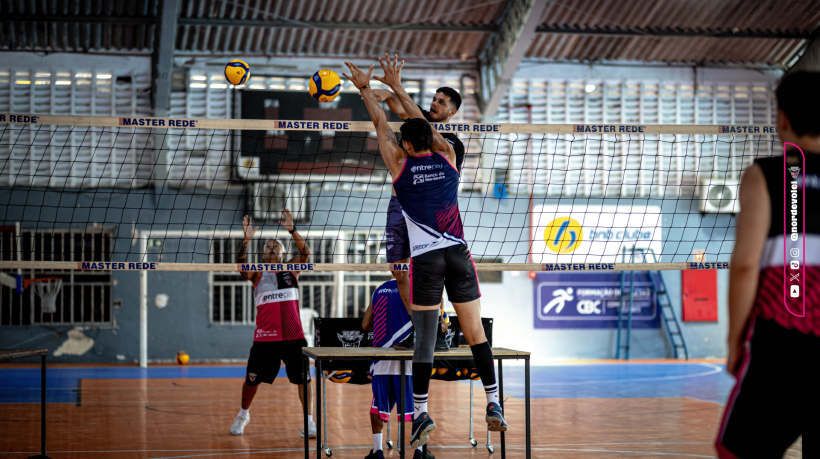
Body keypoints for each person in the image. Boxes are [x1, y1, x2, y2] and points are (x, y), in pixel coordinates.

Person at [342, 54, 506, 450]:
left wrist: (366, 89)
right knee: (475, 335)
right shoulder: (449, 157)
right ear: (431, 141)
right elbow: (421, 126)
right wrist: (396, 88)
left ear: (405, 145)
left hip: (427, 259)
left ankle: (420, 413)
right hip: (459, 255)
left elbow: (382, 124)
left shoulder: (398, 169)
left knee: (425, 341)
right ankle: (494, 401)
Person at [715, 71, 820, 458]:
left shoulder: (766, 175)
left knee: (738, 451)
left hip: (785, 339)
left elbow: (744, 265)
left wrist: (734, 342)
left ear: (782, 119)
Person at [364, 77, 464, 352]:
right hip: (398, 206)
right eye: (434, 99)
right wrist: (381, 93)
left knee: (430, 273)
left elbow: (403, 116)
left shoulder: (451, 145)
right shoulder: (417, 122)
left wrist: (388, 90)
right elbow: (400, 108)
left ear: (452, 112)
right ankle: (420, 330)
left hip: (427, 215)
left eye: (441, 102)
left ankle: (440, 328)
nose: (434, 104)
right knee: (399, 273)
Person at [229, 210, 316, 438]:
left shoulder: (292, 269)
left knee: (303, 379)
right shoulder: (257, 273)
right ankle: (243, 415)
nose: (270, 248)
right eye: (267, 246)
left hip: (293, 337)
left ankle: (309, 422)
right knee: (251, 381)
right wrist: (246, 240)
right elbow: (240, 267)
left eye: (275, 246)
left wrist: (292, 230)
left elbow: (306, 253)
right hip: (265, 338)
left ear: (284, 253)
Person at [362, 274, 434, 459]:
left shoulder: (379, 290)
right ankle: (420, 451)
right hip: (409, 357)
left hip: (381, 358)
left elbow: (365, 324)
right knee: (417, 405)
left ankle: (377, 451)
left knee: (378, 406)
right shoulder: (417, 288)